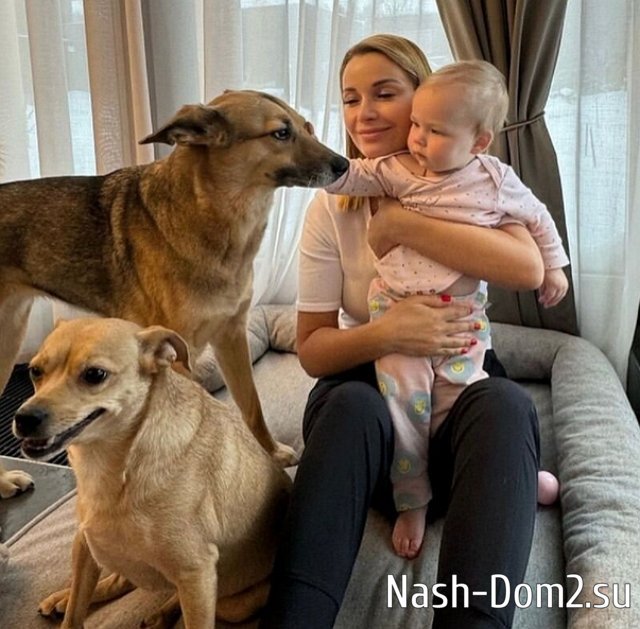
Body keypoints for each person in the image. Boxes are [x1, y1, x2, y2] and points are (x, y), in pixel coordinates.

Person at [260, 34, 545, 629]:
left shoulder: (477, 186)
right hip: (367, 419)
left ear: (425, 97)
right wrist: (391, 333)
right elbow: (313, 350)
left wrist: (403, 225)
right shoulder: (332, 208)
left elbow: (528, 268)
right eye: (350, 98)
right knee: (351, 406)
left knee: (508, 406)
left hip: (457, 403)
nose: (364, 113)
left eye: (385, 94)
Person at [322, 59, 567, 558]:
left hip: (462, 319)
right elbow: (349, 176)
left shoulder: (494, 181)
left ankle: (519, 475)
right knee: (405, 407)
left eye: (433, 131)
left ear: (478, 141)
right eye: (416, 124)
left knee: (471, 407)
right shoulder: (398, 170)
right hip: (395, 311)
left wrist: (556, 268)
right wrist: (306, 160)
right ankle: (412, 497)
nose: (417, 138)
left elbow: (537, 221)